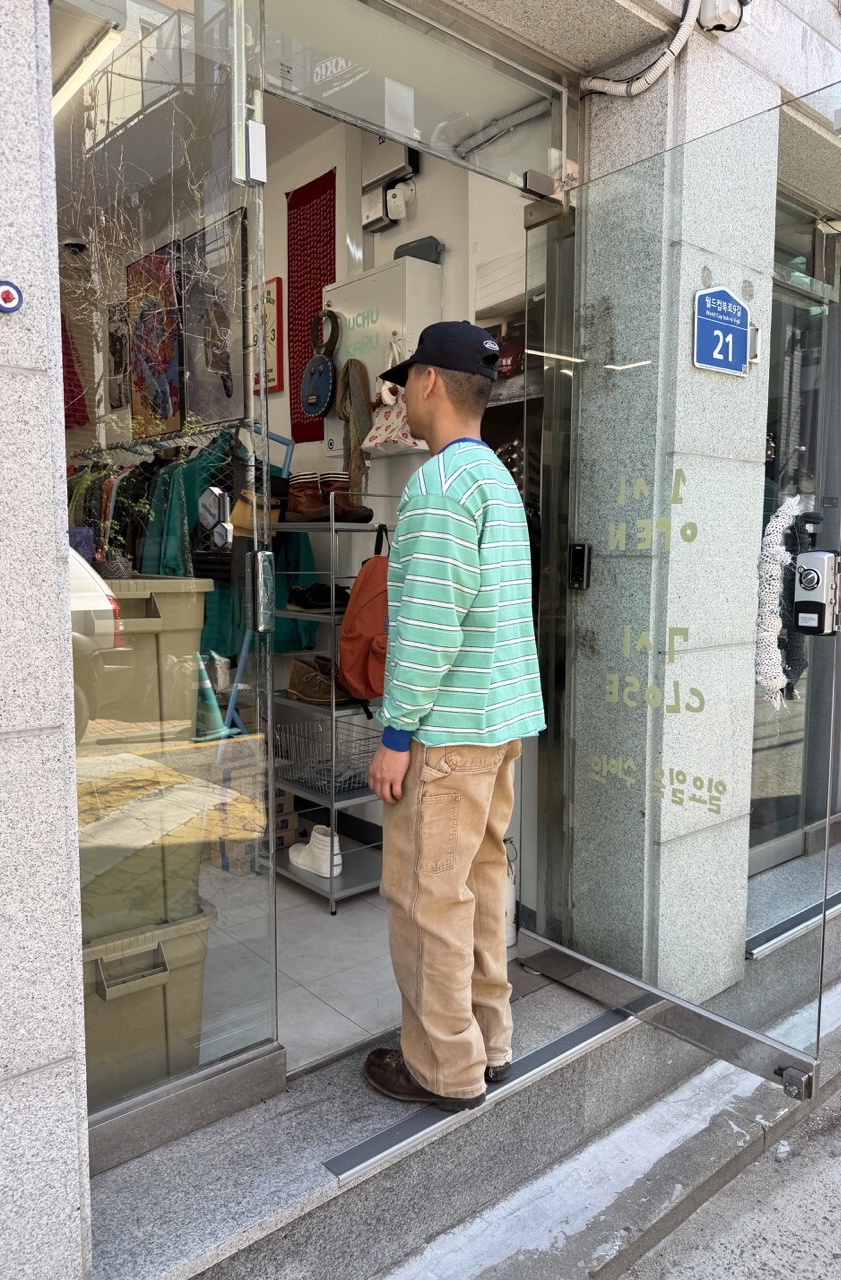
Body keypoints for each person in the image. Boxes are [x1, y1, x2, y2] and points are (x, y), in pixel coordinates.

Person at [363, 321, 546, 1112]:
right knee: (478, 887)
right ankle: (488, 1044)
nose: (399, 395)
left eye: (405, 381)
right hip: (499, 722)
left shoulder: (438, 486)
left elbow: (429, 626)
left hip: (446, 737)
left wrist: (395, 734)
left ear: (430, 382)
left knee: (426, 902)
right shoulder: (495, 479)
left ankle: (444, 1068)